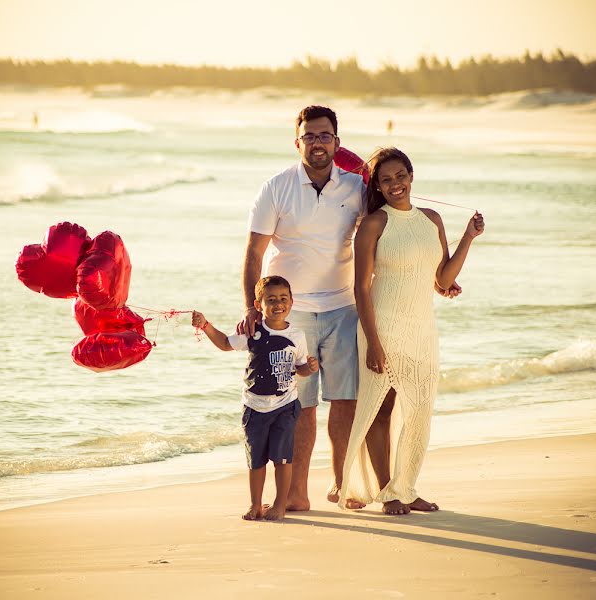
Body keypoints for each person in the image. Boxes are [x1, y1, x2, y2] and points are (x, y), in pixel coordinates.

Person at [339, 147, 484, 515]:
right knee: (381, 410)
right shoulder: (373, 224)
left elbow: (442, 278)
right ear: (378, 185)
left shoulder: (432, 219)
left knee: (419, 410)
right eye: (386, 179)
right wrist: (373, 343)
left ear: (411, 176)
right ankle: (389, 492)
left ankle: (406, 487)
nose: (394, 184)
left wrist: (468, 237)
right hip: (382, 326)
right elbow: (361, 288)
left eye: (400, 176)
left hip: (422, 328)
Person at [238, 106, 366, 511]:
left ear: (337, 143)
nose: (317, 142)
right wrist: (251, 307)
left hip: (343, 306)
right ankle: (297, 492)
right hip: (292, 316)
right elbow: (254, 251)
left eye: (324, 135)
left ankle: (343, 484)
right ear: (297, 143)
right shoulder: (276, 187)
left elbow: (387, 233)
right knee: (301, 405)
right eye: (309, 136)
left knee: (345, 400)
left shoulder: (356, 188)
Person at [192, 276, 319, 521]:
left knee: (283, 458)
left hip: (285, 406)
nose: (278, 304)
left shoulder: (297, 335)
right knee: (256, 459)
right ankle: (255, 505)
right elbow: (225, 344)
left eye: (283, 299)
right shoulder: (252, 331)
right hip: (254, 407)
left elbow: (300, 368)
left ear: (292, 302)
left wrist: (310, 368)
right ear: (258, 304)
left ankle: (280, 504)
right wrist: (205, 324)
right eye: (270, 300)